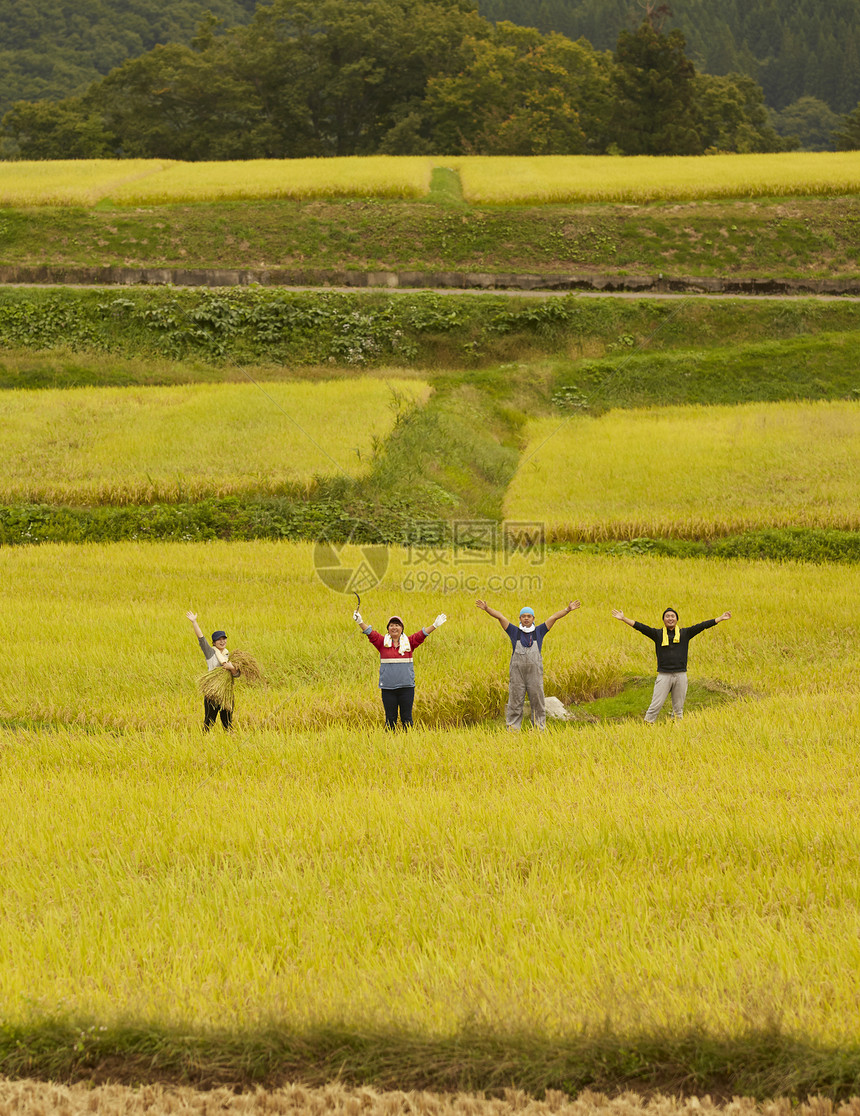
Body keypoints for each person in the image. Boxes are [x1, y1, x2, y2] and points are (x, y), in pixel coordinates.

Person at [611, 605, 732, 723]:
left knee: (678, 708)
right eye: (667, 616)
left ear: (677, 619)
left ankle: (677, 730)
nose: (670, 618)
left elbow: (702, 626)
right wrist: (623, 618)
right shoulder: (657, 634)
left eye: (672, 616)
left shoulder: (685, 633)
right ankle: (647, 725)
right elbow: (640, 627)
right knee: (655, 705)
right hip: (664, 675)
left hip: (680, 675)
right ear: (663, 620)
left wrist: (720, 618)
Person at [476, 598, 581, 730]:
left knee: (538, 702)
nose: (526, 618)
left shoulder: (539, 631)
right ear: (520, 618)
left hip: (534, 675)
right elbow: (500, 617)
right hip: (517, 675)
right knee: (515, 702)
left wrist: (568, 609)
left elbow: (554, 617)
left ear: (533, 618)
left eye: (529, 616)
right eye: (523, 616)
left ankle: (539, 729)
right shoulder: (514, 632)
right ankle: (513, 730)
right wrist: (487, 609)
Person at [354, 608, 448, 730]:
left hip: (406, 688)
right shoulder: (382, 642)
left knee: (407, 719)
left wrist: (435, 625)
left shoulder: (409, 642)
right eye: (391, 625)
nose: (394, 628)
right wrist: (360, 621)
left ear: (402, 628)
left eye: (397, 625)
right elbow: (370, 633)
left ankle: (409, 745)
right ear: (388, 628)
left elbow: (421, 635)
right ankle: (389, 746)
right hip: (388, 688)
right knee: (390, 720)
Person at [186, 610, 239, 731]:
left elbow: (236, 675)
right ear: (214, 642)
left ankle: (228, 742)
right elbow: (201, 638)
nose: (222, 641)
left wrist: (231, 668)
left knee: (228, 724)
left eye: (224, 639)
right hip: (213, 694)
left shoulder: (229, 656)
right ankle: (204, 742)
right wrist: (194, 622)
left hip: (227, 693)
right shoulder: (211, 653)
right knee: (209, 722)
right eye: (219, 639)